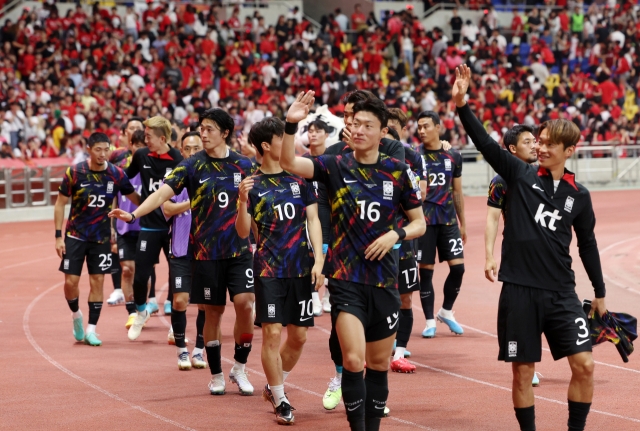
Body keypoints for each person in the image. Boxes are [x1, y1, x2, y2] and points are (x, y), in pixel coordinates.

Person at [453, 64, 607, 431]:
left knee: (584, 364)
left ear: (570, 149)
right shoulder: (519, 174)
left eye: (550, 143)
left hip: (562, 292)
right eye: (539, 141)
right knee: (523, 373)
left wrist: (600, 292)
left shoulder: (580, 197)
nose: (541, 147)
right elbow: (486, 144)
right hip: (519, 290)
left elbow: (587, 245)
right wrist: (462, 107)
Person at [280, 91, 426, 431]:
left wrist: (395, 235)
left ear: (381, 131)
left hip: (384, 282)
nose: (358, 130)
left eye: (367, 125)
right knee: (353, 360)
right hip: (347, 280)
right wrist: (291, 123)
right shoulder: (334, 164)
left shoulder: (398, 170)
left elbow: (419, 222)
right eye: (355, 123)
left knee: (377, 364)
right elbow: (289, 162)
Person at [110, 108, 256, 396]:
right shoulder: (191, 166)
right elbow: (161, 194)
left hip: (239, 250)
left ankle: (239, 366)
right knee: (213, 312)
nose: (203, 133)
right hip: (205, 252)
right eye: (201, 128)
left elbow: (255, 208)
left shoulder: (244, 164)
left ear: (225, 132)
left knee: (246, 305)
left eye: (209, 128)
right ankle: (216, 374)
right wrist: (134, 214)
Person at [320, 90, 404, 414]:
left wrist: (396, 236)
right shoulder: (333, 156)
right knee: (346, 345)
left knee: (376, 352)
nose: (353, 126)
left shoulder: (394, 152)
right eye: (349, 118)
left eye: (361, 120)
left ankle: (367, 390)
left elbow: (406, 204)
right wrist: (323, 248)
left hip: (383, 263)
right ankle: (341, 377)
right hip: (344, 264)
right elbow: (324, 206)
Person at [236, 118, 324, 424]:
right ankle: (280, 397)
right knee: (272, 333)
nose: (289, 144)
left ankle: (273, 385)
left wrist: (319, 261)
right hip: (269, 270)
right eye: (281, 139)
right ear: (265, 146)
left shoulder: (300, 181)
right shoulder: (252, 185)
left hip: (301, 268)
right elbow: (244, 232)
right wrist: (241, 202)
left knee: (298, 337)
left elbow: (313, 221)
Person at [54, 132, 139, 347]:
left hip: (101, 238)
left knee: (98, 281)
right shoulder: (74, 172)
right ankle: (76, 316)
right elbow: (60, 204)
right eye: (98, 149)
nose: (103, 154)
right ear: (89, 149)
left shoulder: (116, 174)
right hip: (75, 235)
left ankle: (92, 329)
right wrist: (58, 237)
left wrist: (158, 202)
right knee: (70, 282)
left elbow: (135, 198)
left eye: (106, 149)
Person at [484, 124, 542, 388]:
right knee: (523, 311)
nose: (534, 145)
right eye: (527, 141)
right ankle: (528, 362)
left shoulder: (545, 175)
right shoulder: (500, 181)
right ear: (511, 149)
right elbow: (493, 219)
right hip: (516, 258)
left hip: (545, 256)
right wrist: (489, 256)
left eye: (535, 141)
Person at [122, 116, 183, 341]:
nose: (144, 139)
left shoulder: (178, 158)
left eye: (148, 136)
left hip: (173, 226)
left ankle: (176, 325)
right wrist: (136, 200)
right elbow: (124, 178)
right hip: (148, 226)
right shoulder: (140, 155)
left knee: (178, 276)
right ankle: (141, 312)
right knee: (140, 277)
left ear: (163, 138)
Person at [415, 111, 467, 338]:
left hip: (447, 220)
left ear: (438, 127)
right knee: (425, 272)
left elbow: (457, 191)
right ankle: (429, 322)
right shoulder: (414, 155)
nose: (422, 131)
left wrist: (462, 222)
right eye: (419, 127)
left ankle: (446, 311)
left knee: (458, 268)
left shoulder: (453, 156)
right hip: (423, 222)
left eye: (426, 126)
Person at [161, 131, 206, 369]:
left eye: (196, 148)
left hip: (207, 249)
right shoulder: (174, 175)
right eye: (187, 148)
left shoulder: (213, 174)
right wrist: (194, 201)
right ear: (180, 149)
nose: (191, 153)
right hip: (180, 249)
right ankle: (181, 351)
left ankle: (199, 349)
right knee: (179, 301)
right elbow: (167, 207)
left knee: (205, 303)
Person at [305, 119, 333, 317]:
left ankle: (328, 296)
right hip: (309, 216)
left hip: (329, 216)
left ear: (327, 134)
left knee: (331, 255)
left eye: (318, 131)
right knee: (310, 255)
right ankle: (313, 296)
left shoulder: (332, 161)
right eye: (310, 131)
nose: (313, 134)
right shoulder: (302, 161)